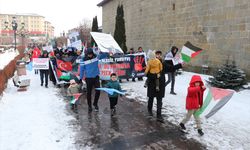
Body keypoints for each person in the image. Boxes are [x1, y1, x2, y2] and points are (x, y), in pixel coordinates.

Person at [145, 50, 165, 123]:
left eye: (160, 54)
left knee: (159, 100)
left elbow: (170, 68)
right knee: (151, 98)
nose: (158, 56)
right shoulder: (150, 62)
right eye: (157, 54)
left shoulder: (163, 62)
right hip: (152, 84)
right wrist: (154, 75)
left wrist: (180, 65)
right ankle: (149, 110)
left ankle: (159, 115)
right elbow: (147, 74)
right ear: (155, 55)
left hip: (160, 84)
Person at [79, 48, 101, 113]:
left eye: (91, 54)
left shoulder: (96, 57)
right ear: (86, 54)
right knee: (89, 93)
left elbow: (102, 55)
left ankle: (95, 103)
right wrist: (80, 78)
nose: (90, 56)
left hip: (96, 76)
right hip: (88, 78)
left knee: (98, 91)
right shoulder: (83, 60)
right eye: (89, 54)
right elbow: (81, 70)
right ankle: (89, 106)